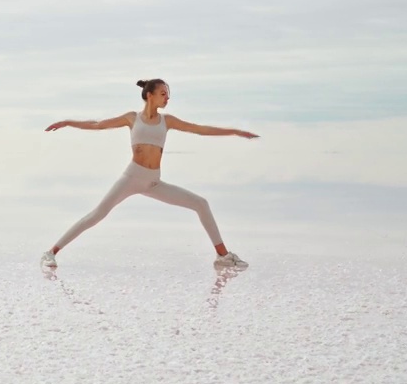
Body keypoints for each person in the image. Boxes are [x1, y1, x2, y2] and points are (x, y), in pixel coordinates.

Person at [40, 79, 257, 271]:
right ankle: (51, 252)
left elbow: (200, 129)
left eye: (168, 94)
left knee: (200, 203)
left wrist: (234, 131)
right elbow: (97, 124)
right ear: (149, 95)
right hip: (131, 178)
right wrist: (68, 122)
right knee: (97, 214)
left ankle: (223, 256)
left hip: (153, 182)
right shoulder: (131, 118)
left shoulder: (167, 121)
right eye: (163, 93)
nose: (167, 98)